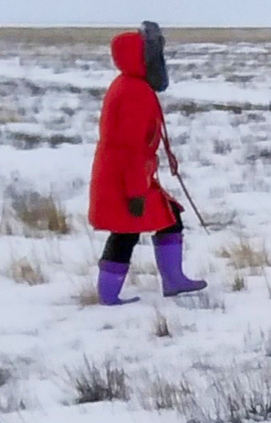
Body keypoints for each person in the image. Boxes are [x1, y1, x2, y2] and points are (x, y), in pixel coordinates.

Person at [88, 21, 207, 304]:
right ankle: (158, 284)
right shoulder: (134, 92)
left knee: (156, 221)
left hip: (121, 174)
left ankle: (124, 290)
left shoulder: (128, 84)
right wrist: (135, 191)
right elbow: (130, 147)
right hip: (125, 177)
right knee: (129, 230)